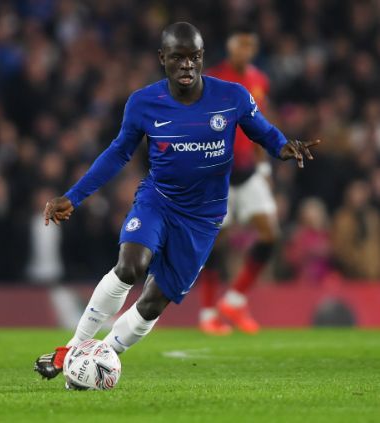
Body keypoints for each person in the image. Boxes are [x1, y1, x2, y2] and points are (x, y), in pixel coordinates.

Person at [34, 22, 318, 383]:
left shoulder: (232, 97)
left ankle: (103, 356)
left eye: (194, 57)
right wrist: (72, 196)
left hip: (203, 218)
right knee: (130, 265)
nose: (187, 65)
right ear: (162, 59)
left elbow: (262, 130)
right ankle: (72, 350)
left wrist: (283, 147)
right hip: (159, 201)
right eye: (178, 58)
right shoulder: (143, 103)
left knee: (152, 303)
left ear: (202, 59)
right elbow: (117, 154)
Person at [196, 27, 279, 335]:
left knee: (270, 234)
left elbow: (261, 124)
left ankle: (233, 299)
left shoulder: (259, 80)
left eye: (250, 45)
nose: (245, 51)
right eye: (239, 45)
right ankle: (207, 313)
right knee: (216, 242)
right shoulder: (215, 80)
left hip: (249, 173)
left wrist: (265, 170)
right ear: (230, 48)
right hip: (219, 174)